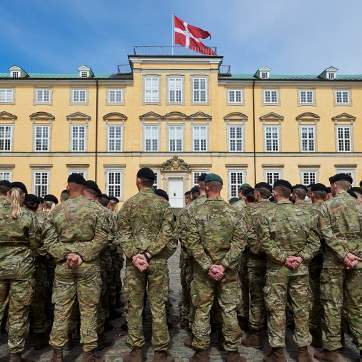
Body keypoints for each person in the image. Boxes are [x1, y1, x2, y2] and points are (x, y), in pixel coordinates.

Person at [181, 173, 252, 362]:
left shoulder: (194, 211)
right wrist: (224, 264)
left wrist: (208, 265)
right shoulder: (234, 212)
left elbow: (191, 242)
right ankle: (232, 352)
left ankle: (201, 351)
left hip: (203, 271)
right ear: (221, 188)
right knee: (228, 309)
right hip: (227, 271)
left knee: (202, 309)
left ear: (206, 188)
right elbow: (240, 242)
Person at [43, 173, 109, 362]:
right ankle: (88, 353)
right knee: (89, 309)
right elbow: (102, 237)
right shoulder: (95, 209)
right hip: (88, 265)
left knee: (62, 309)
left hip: (65, 265)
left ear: (68, 186)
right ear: (83, 186)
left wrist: (67, 254)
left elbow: (48, 240)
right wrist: (82, 255)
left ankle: (57, 353)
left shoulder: (57, 211)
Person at [117, 168, 176, 362]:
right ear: (153, 182)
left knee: (134, 305)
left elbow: (123, 233)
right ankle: (160, 351)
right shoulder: (163, 205)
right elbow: (167, 233)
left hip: (135, 264)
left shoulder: (129, 205)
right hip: (156, 261)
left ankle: (136, 350)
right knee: (158, 305)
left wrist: (135, 255)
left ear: (138, 181)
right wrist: (150, 253)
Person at [260, 179, 320, 362]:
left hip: (277, 269)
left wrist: (283, 258)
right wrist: (300, 257)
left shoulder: (267, 214)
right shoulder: (306, 214)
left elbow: (265, 242)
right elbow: (315, 241)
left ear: (276, 194)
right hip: (300, 269)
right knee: (302, 309)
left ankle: (277, 352)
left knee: (276, 309)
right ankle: (303, 351)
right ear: (290, 194)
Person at [315, 173, 362, 362]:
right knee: (357, 305)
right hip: (358, 261)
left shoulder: (327, 205)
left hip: (334, 262)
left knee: (332, 305)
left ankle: (332, 350)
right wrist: (356, 255)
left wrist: (343, 254)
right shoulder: (359, 206)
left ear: (334, 186)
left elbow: (325, 233)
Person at [0, 182, 39, 362]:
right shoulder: (26, 215)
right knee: (18, 312)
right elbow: (34, 243)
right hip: (21, 268)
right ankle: (15, 354)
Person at [241, 182, 275, 348]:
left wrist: (257, 248)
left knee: (256, 296)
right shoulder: (276, 209)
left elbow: (245, 232)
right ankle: (274, 333)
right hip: (275, 260)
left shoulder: (249, 210)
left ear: (257, 194)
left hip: (255, 259)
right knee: (276, 297)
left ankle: (255, 333)